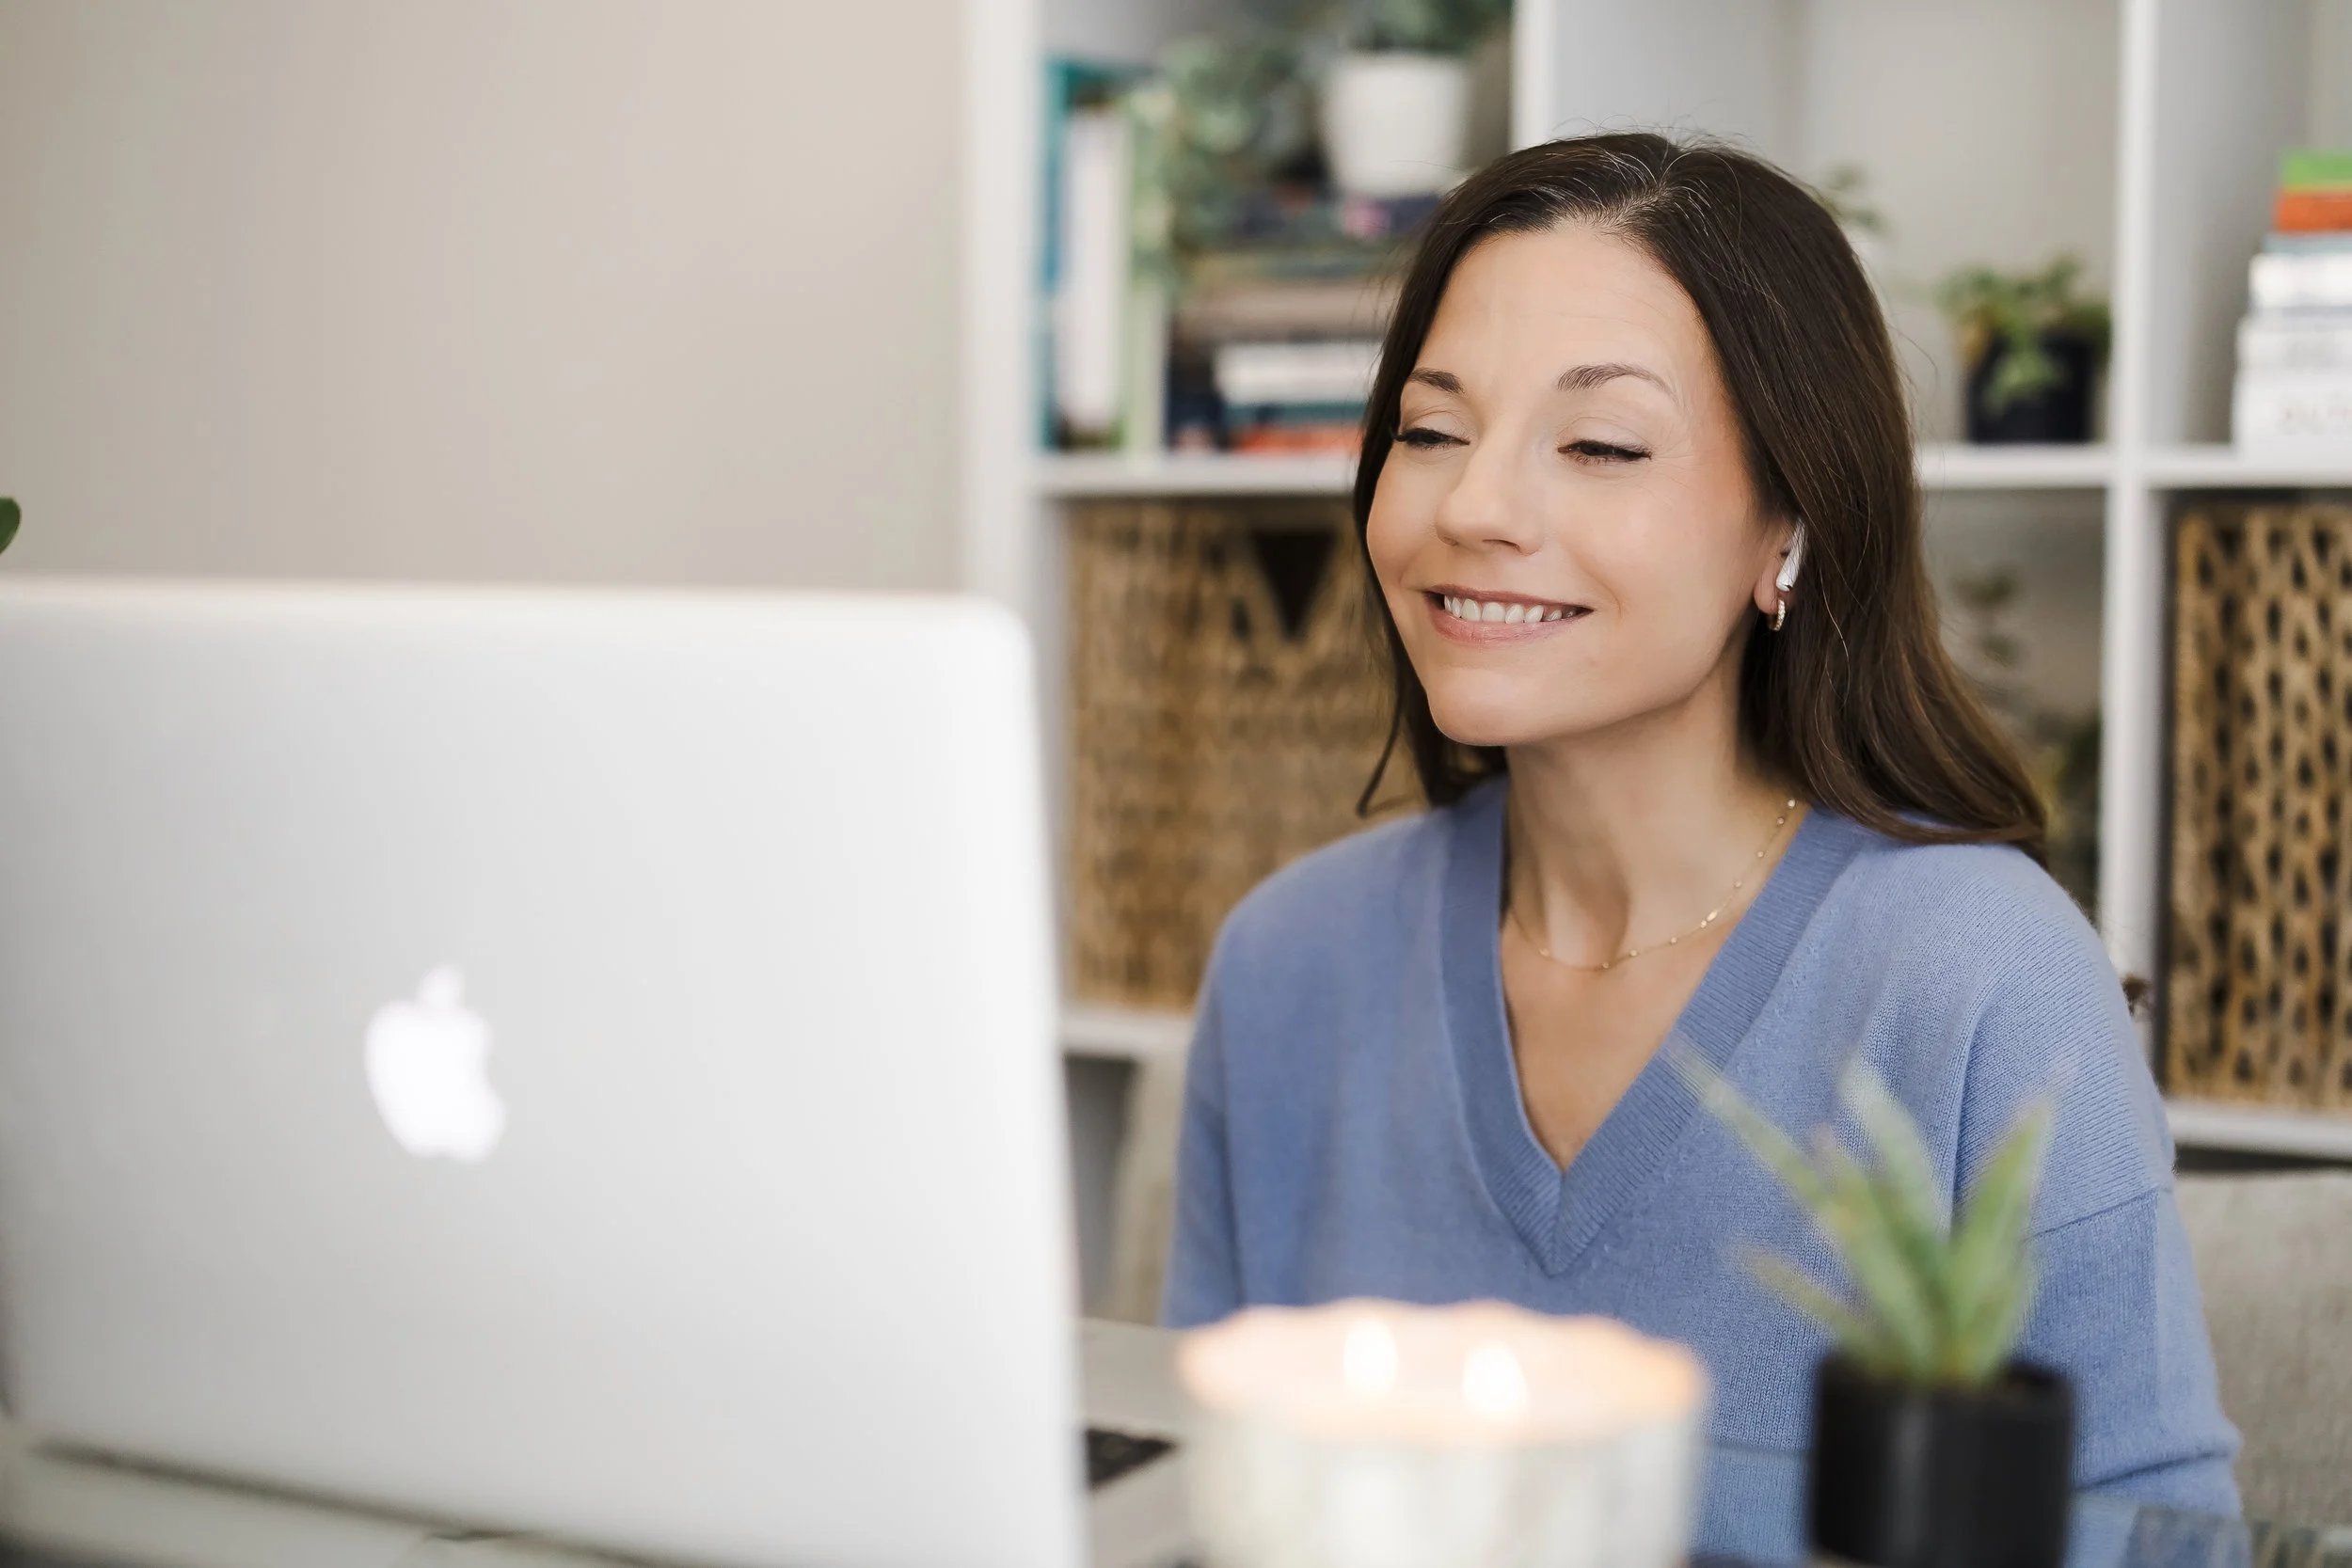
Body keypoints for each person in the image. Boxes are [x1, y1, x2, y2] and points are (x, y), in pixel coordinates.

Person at [1160, 133, 2239, 1513]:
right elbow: (1202, 1505)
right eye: (1430, 431)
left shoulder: (1984, 979)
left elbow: (2163, 1539)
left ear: (1785, 527)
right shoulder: (1287, 964)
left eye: (1600, 442)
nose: (1474, 506)